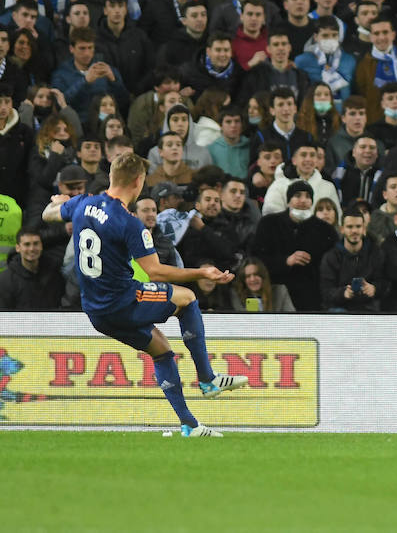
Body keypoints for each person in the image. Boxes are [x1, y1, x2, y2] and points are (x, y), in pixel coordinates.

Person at [39, 153, 248, 437]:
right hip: (124, 300)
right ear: (138, 182)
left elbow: (47, 215)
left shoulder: (84, 204)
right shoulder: (129, 222)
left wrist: (59, 204)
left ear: (112, 176)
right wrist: (202, 272)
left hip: (96, 312)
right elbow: (156, 273)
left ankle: (190, 425)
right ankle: (208, 380)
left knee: (161, 350)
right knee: (186, 298)